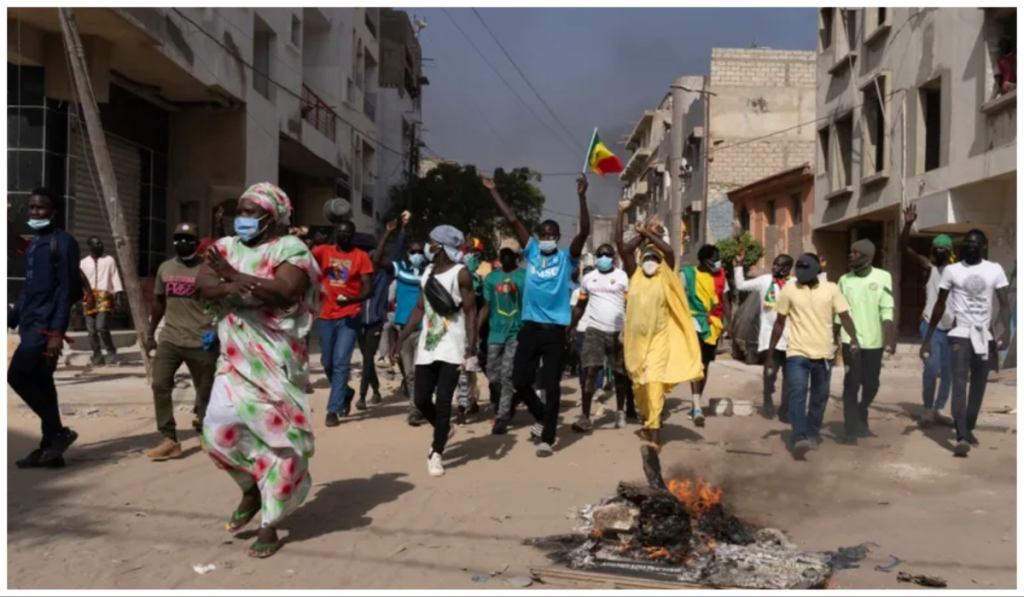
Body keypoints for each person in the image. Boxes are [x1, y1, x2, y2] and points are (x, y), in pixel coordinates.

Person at [196, 182, 320, 558]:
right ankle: (251, 487)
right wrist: (245, 286)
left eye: (251, 212)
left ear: (272, 217)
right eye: (241, 210)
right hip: (234, 357)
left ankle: (269, 524)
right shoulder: (225, 248)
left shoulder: (291, 249)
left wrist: (231, 279)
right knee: (216, 428)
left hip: (276, 357)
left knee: (279, 441)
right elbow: (202, 287)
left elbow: (285, 292)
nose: (242, 218)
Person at [481, 174, 590, 457]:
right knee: (518, 381)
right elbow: (514, 220)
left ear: (558, 238)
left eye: (551, 235)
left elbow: (584, 233)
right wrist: (493, 192)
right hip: (529, 328)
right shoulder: (530, 252)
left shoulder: (567, 258)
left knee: (551, 385)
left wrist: (581, 197)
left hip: (555, 330)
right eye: (543, 235)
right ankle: (542, 415)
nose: (546, 239)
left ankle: (548, 438)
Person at [8, 188, 82, 469]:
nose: (35, 212)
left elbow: (67, 289)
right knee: (42, 383)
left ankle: (59, 432)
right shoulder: (36, 243)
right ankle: (51, 451)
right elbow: (29, 286)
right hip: (29, 322)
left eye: (41, 208)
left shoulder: (63, 243)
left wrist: (55, 333)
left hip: (45, 327)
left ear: (54, 212)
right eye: (31, 208)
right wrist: (13, 316)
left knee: (16, 377)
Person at [393, 225, 477, 477]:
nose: (427, 247)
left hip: (452, 346)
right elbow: (420, 308)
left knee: (443, 403)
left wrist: (470, 349)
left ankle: (436, 451)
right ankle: (444, 429)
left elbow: (471, 311)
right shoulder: (427, 271)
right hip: (428, 346)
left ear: (439, 246)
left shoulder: (461, 273)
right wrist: (402, 337)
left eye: (431, 243)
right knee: (420, 399)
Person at [618, 206, 703, 451]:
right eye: (647, 258)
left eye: (654, 259)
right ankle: (648, 421)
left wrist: (648, 232)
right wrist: (624, 216)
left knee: (654, 385)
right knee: (640, 389)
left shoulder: (667, 277)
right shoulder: (634, 276)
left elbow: (668, 250)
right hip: (635, 346)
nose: (650, 262)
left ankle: (655, 437)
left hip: (659, 342)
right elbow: (623, 248)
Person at [921, 230, 1010, 458]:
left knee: (979, 385)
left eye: (975, 243)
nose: (971, 246)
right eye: (967, 243)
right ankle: (960, 437)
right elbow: (940, 305)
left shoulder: (994, 269)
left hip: (984, 337)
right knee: (959, 384)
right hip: (960, 334)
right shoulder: (952, 270)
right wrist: (928, 338)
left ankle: (968, 426)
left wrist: (1005, 333)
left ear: (983, 246)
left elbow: (1004, 303)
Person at [767, 254, 860, 459]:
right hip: (797, 353)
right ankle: (799, 436)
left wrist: (854, 339)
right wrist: (770, 353)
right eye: (799, 271)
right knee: (797, 394)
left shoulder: (832, 289)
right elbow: (780, 322)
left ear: (817, 270)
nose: (802, 276)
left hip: (824, 354)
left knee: (819, 398)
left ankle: (812, 433)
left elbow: (844, 316)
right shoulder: (789, 290)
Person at [144, 222, 218, 460]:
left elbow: (221, 302)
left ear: (197, 244)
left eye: (188, 238)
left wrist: (217, 329)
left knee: (206, 392)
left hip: (201, 341)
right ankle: (169, 439)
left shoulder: (208, 271)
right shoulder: (165, 268)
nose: (182, 242)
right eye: (178, 238)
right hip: (170, 339)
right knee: (159, 385)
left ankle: (208, 433)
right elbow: (158, 303)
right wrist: (150, 333)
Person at [311, 220, 374, 426]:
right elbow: (304, 257)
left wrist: (353, 299)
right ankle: (346, 392)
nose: (343, 235)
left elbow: (368, 289)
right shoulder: (324, 251)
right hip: (326, 314)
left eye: (347, 233)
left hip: (349, 314)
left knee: (340, 362)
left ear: (353, 236)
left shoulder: (361, 257)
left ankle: (333, 410)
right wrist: (305, 237)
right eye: (340, 232)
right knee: (326, 362)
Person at [899, 205, 955, 427]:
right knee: (931, 368)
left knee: (948, 372)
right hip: (929, 328)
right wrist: (907, 225)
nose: (939, 251)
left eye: (943, 248)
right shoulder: (929, 267)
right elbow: (904, 247)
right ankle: (927, 408)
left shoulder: (957, 271)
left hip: (952, 328)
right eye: (936, 247)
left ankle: (940, 408)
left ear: (950, 251)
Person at [835, 239, 895, 444]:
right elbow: (839, 313)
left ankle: (862, 410)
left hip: (874, 342)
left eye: (856, 253)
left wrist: (890, 337)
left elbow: (887, 308)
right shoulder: (844, 280)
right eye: (850, 252)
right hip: (850, 340)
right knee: (851, 384)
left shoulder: (883, 277)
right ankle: (850, 429)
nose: (851, 256)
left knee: (871, 385)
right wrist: (834, 338)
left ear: (867, 256)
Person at [373, 212, 428, 425]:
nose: (416, 255)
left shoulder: (429, 272)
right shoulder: (401, 271)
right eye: (413, 252)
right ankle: (415, 409)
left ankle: (419, 406)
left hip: (425, 328)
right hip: (404, 329)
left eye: (419, 252)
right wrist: (389, 233)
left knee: (420, 371)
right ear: (408, 253)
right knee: (411, 373)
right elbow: (377, 260)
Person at [570, 243, 630, 431]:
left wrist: (630, 328)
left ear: (613, 257)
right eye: (600, 255)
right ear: (596, 258)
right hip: (594, 330)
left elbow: (630, 304)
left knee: (620, 374)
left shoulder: (622, 276)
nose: (604, 258)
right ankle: (585, 417)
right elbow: (580, 305)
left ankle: (620, 412)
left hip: (617, 331)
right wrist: (570, 326)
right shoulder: (588, 279)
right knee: (590, 371)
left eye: (607, 255)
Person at [732, 246, 796, 421]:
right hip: (769, 338)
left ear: (788, 268)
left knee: (790, 378)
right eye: (774, 264)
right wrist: (739, 265)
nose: (775, 267)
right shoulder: (764, 281)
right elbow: (741, 285)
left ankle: (785, 408)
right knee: (769, 373)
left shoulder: (795, 284)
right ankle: (767, 399)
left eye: (779, 265)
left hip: (791, 337)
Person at [680, 244, 731, 427]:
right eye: (714, 258)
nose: (717, 262)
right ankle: (697, 407)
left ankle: (696, 403)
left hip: (713, 325)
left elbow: (725, 300)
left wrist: (729, 324)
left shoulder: (721, 275)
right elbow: (678, 297)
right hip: (694, 321)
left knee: (705, 364)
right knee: (697, 362)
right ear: (704, 259)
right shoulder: (687, 274)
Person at [479, 241, 527, 434]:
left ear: (516, 256)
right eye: (503, 253)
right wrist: (475, 330)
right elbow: (485, 307)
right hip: (495, 333)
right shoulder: (491, 278)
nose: (505, 257)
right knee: (493, 374)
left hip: (516, 332)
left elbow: (528, 305)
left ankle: (502, 415)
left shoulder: (524, 277)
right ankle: (510, 400)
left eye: (510, 254)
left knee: (506, 374)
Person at [356, 229, 399, 411]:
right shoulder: (357, 274)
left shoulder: (384, 276)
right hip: (357, 321)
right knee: (367, 360)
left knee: (367, 359)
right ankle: (376, 390)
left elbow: (382, 258)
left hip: (375, 322)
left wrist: (387, 234)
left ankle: (362, 396)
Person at [456, 237, 487, 423]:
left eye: (475, 254)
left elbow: (483, 305)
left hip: (470, 329)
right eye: (468, 252)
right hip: (454, 326)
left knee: (468, 369)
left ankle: (468, 401)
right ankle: (463, 403)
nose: (471, 256)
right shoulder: (455, 273)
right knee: (459, 369)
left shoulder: (480, 278)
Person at [80, 236, 124, 366]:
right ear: (90, 246)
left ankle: (110, 351)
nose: (100, 245)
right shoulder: (83, 262)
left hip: (105, 295)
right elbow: (80, 281)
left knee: (101, 326)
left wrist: (118, 295)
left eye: (101, 243)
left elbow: (115, 276)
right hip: (88, 297)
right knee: (91, 329)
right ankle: (97, 355)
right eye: (96, 243)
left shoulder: (109, 260)